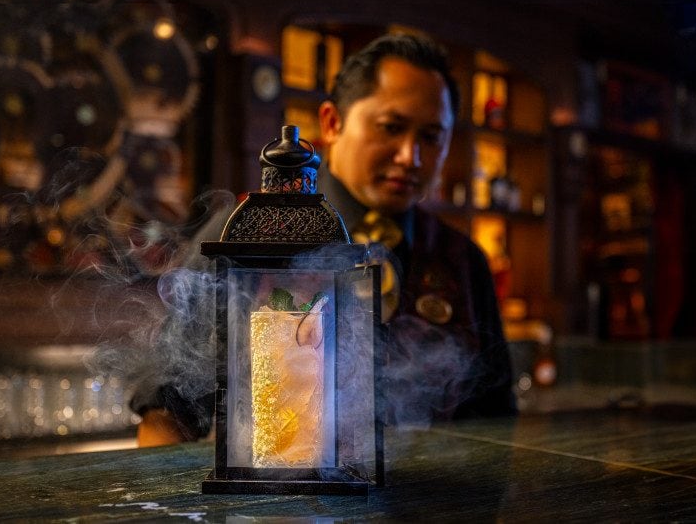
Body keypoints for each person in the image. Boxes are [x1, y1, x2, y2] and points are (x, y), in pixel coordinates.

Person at [134, 32, 515, 446]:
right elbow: (166, 409)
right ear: (332, 123)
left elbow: (495, 414)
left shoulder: (462, 259)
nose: (411, 156)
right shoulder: (245, 235)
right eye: (391, 127)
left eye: (430, 136)